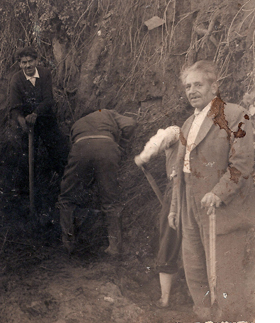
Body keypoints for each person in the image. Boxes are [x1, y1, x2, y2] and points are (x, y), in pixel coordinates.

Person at [169, 60, 254, 321]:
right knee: (195, 265)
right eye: (187, 86)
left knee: (225, 271)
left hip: (221, 207)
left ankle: (232, 318)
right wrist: (175, 208)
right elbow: (180, 171)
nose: (192, 90)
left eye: (198, 84)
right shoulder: (186, 124)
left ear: (214, 86)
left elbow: (243, 160)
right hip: (189, 205)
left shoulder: (235, 114)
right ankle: (207, 317)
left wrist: (219, 192)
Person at [58, 109, 136, 256]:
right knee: (110, 200)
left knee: (66, 198)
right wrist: (122, 147)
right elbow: (130, 124)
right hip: (107, 148)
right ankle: (114, 248)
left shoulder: (77, 123)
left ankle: (68, 245)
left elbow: (74, 152)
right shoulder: (108, 113)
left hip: (81, 147)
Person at [8, 46, 68, 215]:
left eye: (30, 61)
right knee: (25, 157)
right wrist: (22, 122)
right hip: (27, 125)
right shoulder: (16, 80)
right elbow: (14, 108)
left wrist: (36, 113)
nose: (28, 65)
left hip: (46, 119)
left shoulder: (45, 74)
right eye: (24, 62)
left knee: (60, 150)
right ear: (20, 64)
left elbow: (49, 100)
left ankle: (64, 189)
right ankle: (24, 195)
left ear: (36, 61)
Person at [135, 126, 182, 308]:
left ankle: (166, 298)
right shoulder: (180, 132)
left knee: (170, 238)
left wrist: (143, 157)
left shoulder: (178, 131)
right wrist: (146, 155)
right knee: (171, 236)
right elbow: (162, 138)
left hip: (187, 189)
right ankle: (165, 298)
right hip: (180, 187)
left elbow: (162, 136)